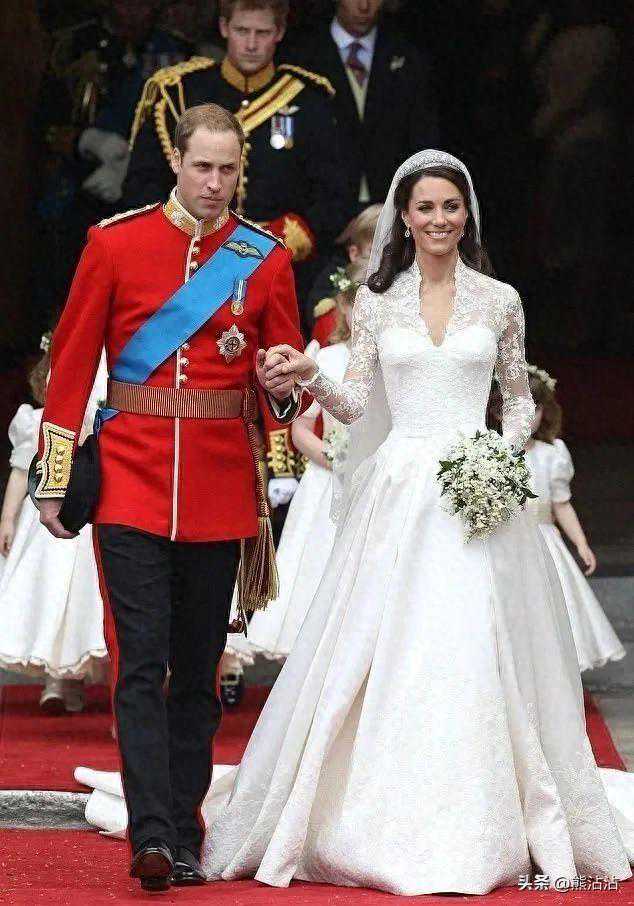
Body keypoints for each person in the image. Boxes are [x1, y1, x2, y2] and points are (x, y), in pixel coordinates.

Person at [199, 150, 633, 894]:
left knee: (476, 643)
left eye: (450, 207)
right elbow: (358, 404)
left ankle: (492, 816)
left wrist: (500, 455)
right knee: (383, 644)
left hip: (474, 494)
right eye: (425, 207)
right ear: (404, 216)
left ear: (467, 216)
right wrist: (312, 377)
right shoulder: (377, 303)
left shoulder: (499, 300)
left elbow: (517, 398)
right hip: (400, 493)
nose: (438, 219)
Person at [34, 103, 307, 892]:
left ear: (241, 171)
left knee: (196, 676)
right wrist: (55, 479)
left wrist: (285, 386)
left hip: (219, 489)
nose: (214, 183)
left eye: (228, 169)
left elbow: (284, 384)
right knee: (138, 665)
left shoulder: (264, 258)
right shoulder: (113, 243)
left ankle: (184, 831)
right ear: (177, 163)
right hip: (129, 481)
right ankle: (152, 837)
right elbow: (72, 366)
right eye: (202, 167)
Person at [123, 0, 345, 505]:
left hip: (274, 265)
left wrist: (284, 237)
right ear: (223, 27)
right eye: (241, 30)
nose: (250, 42)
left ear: (280, 33)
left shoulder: (308, 100)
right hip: (187, 270)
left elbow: (334, 197)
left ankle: (280, 472)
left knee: (278, 365)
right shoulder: (179, 92)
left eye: (262, 32)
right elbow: (140, 189)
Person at [224, 260, 363, 676]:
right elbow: (300, 428)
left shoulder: (396, 358)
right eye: (356, 303)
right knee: (317, 570)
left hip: (374, 476)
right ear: (343, 307)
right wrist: (334, 459)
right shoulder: (328, 357)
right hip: (328, 478)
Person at [493, 364, 625, 673]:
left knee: (551, 602)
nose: (528, 416)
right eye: (517, 407)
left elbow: (562, 505)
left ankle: (553, 671)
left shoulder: (552, 453)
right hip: (506, 542)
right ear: (499, 412)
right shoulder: (491, 453)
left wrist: (581, 543)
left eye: (535, 408)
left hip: (544, 539)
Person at [0, 336, 108, 711]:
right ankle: (56, 682)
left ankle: (83, 681)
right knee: (50, 593)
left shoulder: (99, 410)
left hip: (87, 507)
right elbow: (20, 471)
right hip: (43, 520)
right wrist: (8, 519)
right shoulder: (33, 420)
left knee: (85, 600)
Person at [287, 0, 440, 214]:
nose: (364, 6)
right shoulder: (299, 56)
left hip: (394, 205)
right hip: (320, 208)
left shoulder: (409, 54)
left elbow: (423, 137)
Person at [309, 205, 381, 344]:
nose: (384, 262)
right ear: (355, 254)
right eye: (374, 254)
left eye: (393, 253)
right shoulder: (331, 318)